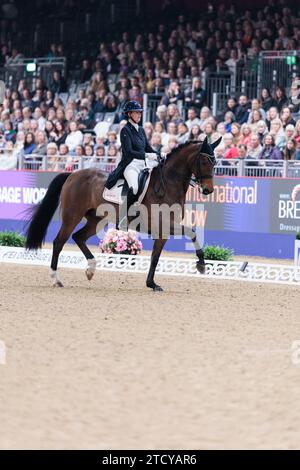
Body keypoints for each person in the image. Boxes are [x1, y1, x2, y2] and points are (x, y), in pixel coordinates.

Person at [106, 100, 159, 229]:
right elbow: (129, 152)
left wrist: (159, 154)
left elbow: (147, 147)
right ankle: (123, 218)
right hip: (130, 165)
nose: (139, 115)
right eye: (137, 113)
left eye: (140, 112)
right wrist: (147, 155)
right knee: (134, 188)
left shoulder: (141, 130)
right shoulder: (125, 130)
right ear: (129, 114)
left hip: (143, 164)